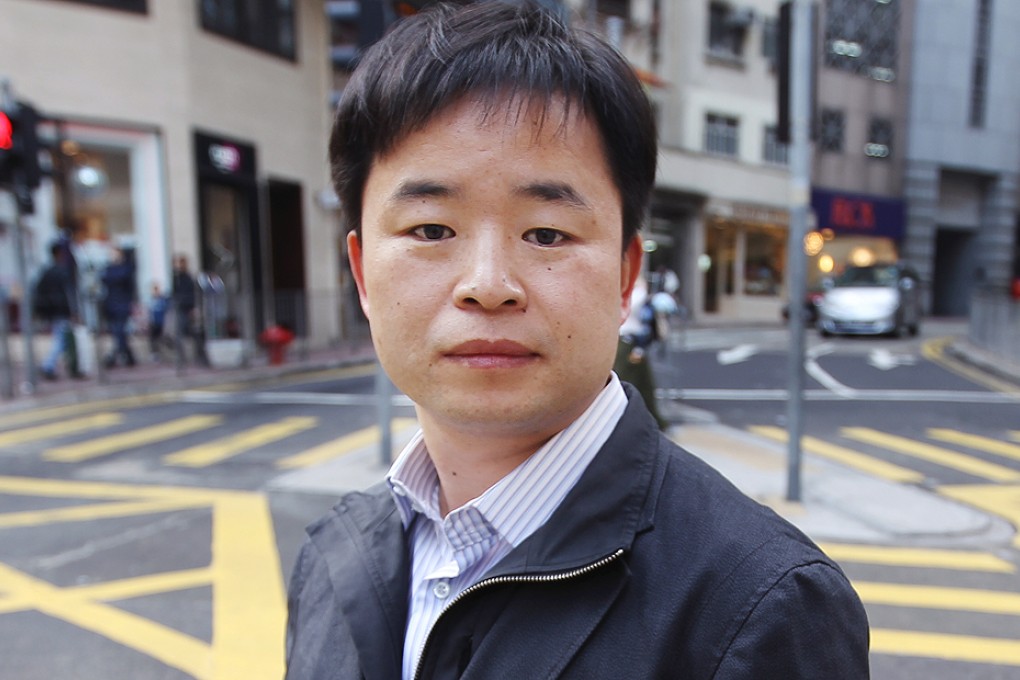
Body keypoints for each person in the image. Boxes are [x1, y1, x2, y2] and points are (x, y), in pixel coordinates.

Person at [285, 4, 869, 679]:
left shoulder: (757, 607)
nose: (488, 285)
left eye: (546, 234)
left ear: (626, 275)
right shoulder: (334, 558)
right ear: (361, 272)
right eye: (430, 230)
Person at [613, 276, 667, 430]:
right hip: (628, 341)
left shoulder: (640, 296)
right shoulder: (634, 293)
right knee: (642, 383)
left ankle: (644, 420)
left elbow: (645, 323)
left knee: (630, 383)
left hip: (631, 342)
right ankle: (652, 419)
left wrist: (640, 348)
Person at [33, 241, 83, 380]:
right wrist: (74, 311)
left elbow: (38, 291)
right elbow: (69, 293)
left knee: (61, 338)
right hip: (62, 311)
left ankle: (68, 366)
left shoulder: (47, 271)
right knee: (62, 339)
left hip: (52, 311)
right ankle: (48, 365)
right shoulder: (62, 271)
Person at [101, 245, 137, 368]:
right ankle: (128, 355)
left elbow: (127, 283)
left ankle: (115, 356)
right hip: (111, 303)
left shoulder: (126, 268)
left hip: (122, 303)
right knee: (117, 331)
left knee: (119, 330)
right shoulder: (108, 268)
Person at [171, 254, 207, 366]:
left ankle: (200, 356)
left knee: (194, 333)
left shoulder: (187, 278)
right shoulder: (175, 278)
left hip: (187, 308)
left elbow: (192, 294)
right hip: (179, 308)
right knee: (179, 334)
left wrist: (193, 308)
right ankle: (182, 358)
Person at [147, 282, 170, 362]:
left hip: (161, 322)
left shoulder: (162, 300)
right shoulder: (151, 300)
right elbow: (150, 312)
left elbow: (166, 309)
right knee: (153, 339)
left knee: (161, 338)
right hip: (154, 323)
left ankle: (164, 352)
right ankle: (155, 353)